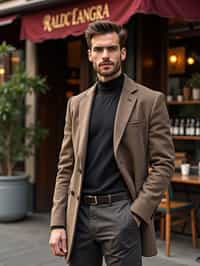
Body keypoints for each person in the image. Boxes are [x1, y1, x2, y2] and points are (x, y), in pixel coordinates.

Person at [49, 20, 175, 266]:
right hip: (80, 215)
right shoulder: (76, 104)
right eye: (98, 49)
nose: (105, 55)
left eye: (111, 48)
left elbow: (164, 163)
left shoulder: (149, 101)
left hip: (122, 211)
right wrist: (57, 222)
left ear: (122, 52)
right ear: (90, 55)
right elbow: (66, 166)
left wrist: (136, 213)